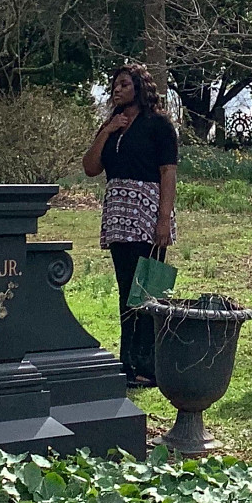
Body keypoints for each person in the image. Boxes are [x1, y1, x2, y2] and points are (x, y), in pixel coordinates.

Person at [81, 64, 178, 390]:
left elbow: (168, 172)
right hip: (119, 215)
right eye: (114, 85)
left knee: (148, 292)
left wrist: (163, 220)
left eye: (123, 84)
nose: (116, 90)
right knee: (126, 291)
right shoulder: (112, 126)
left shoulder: (159, 124)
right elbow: (91, 167)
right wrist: (107, 131)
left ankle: (148, 366)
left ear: (139, 87)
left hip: (147, 214)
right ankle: (128, 363)